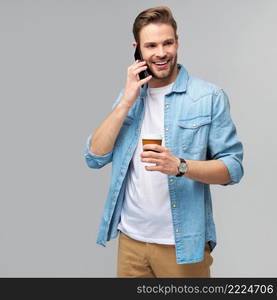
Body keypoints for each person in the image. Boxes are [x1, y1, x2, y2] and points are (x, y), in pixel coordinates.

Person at [84, 6, 244, 278]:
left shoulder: (208, 97)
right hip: (131, 243)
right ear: (138, 50)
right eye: (151, 45)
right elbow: (94, 156)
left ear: (177, 43)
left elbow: (233, 169)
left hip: (181, 246)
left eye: (167, 43)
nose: (160, 53)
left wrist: (180, 166)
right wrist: (126, 100)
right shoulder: (130, 99)